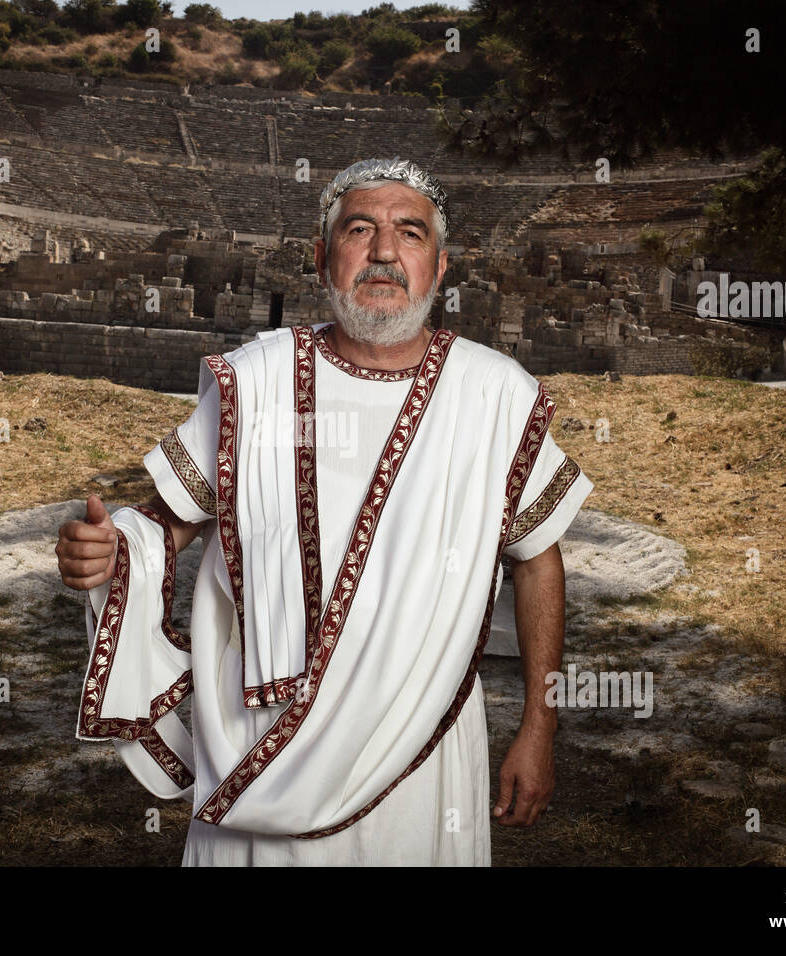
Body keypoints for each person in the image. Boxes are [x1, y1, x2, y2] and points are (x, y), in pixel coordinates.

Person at [57, 157, 593, 865]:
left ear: (439, 264)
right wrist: (111, 549)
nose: (383, 252)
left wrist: (538, 729)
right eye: (359, 229)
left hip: (419, 742)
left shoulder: (496, 397)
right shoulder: (256, 382)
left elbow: (537, 562)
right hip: (262, 738)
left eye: (409, 233)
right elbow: (169, 522)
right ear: (321, 256)